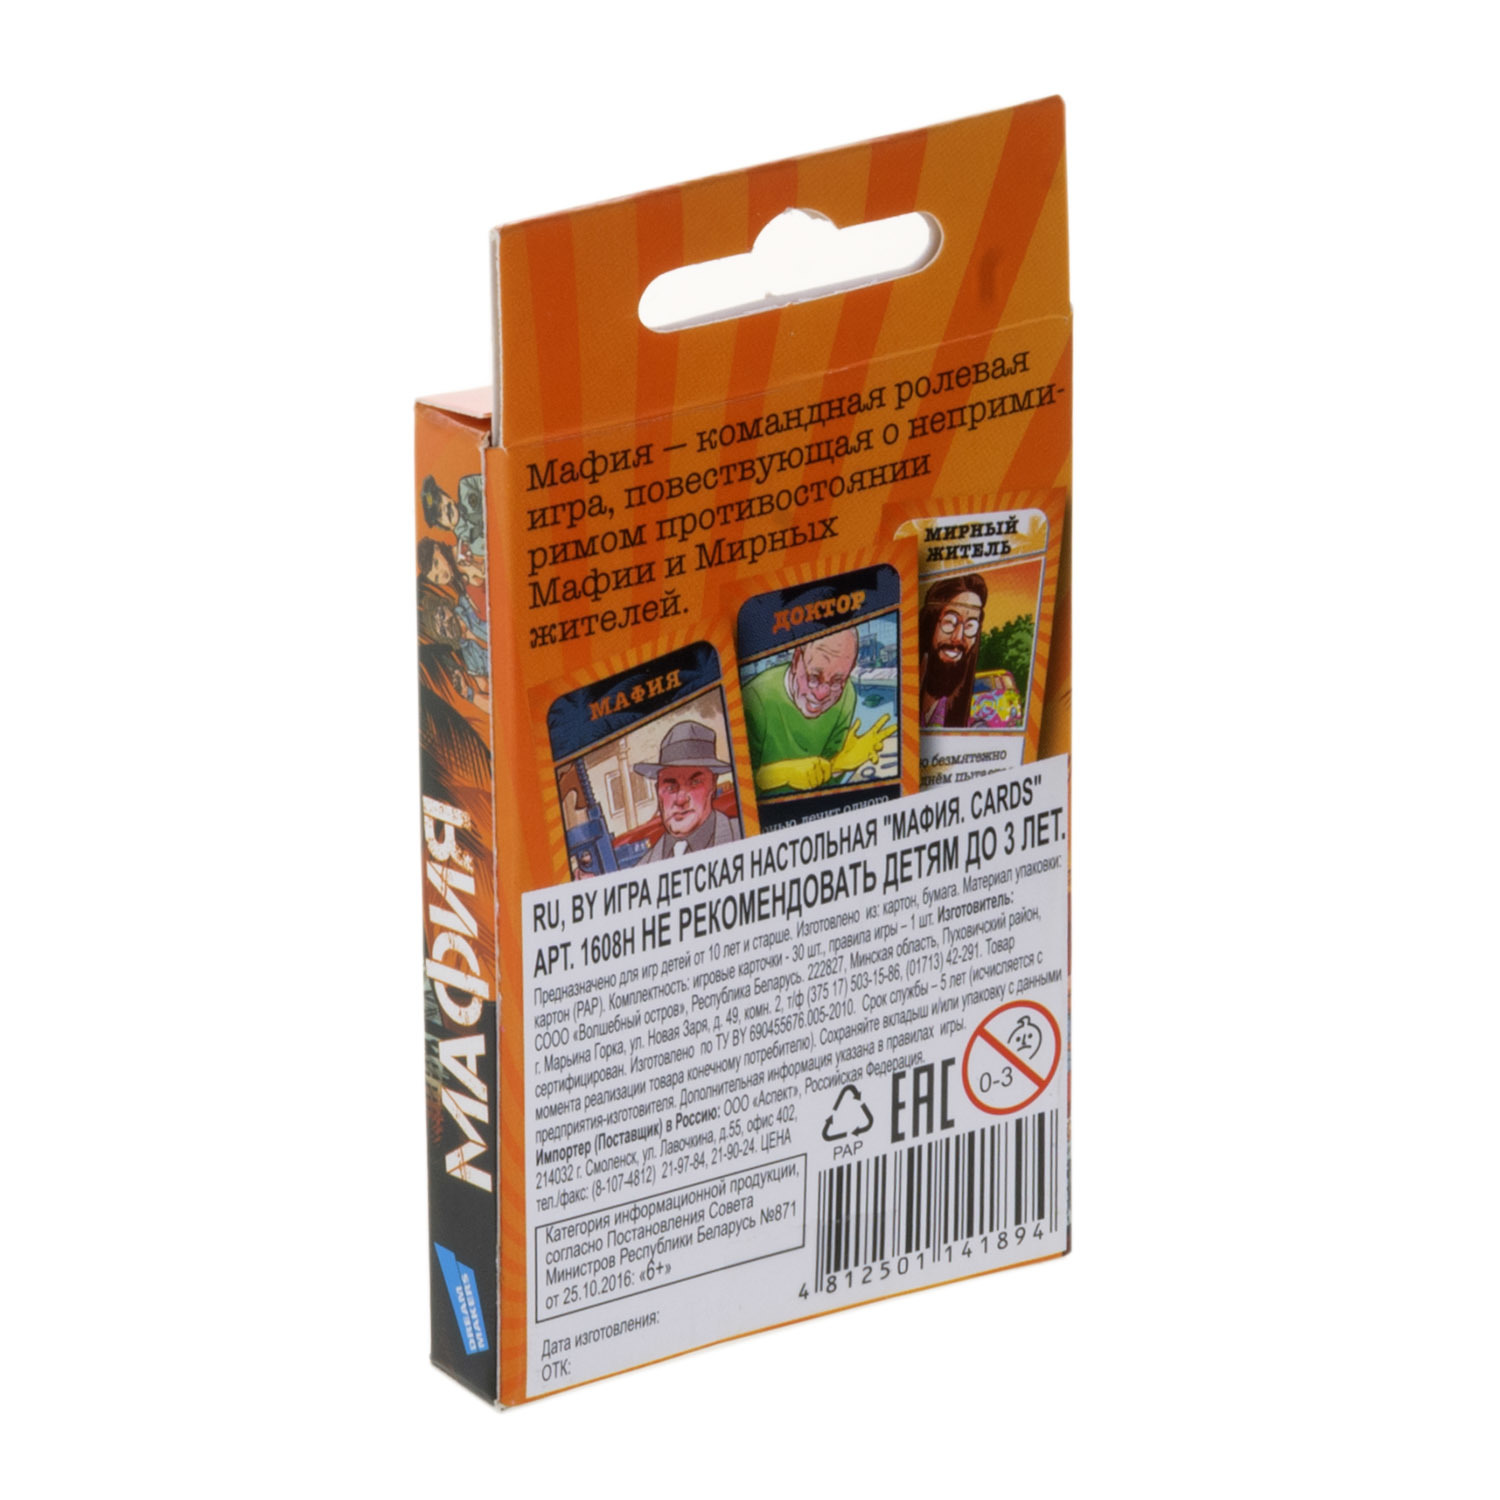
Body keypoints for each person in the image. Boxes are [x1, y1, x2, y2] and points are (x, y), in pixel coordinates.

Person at [742, 627, 894, 794]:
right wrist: (781, 774)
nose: (822, 694)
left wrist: (838, 765)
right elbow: (738, 787)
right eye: (814, 677)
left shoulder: (846, 695)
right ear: (796, 660)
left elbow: (826, 785)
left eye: (836, 681)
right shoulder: (753, 700)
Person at [633, 722, 742, 861]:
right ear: (657, 791)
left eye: (695, 782)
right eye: (670, 787)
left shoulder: (743, 834)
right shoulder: (644, 866)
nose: (680, 800)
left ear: (713, 784)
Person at [919, 575, 988, 727]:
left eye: (970, 626)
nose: (958, 637)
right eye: (950, 622)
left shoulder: (979, 710)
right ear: (930, 623)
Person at [421, 473, 486, 558]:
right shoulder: (469, 545)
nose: (445, 509)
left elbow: (491, 482)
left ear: (447, 496)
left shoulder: (466, 485)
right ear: (442, 527)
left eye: (440, 500)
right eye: (440, 513)